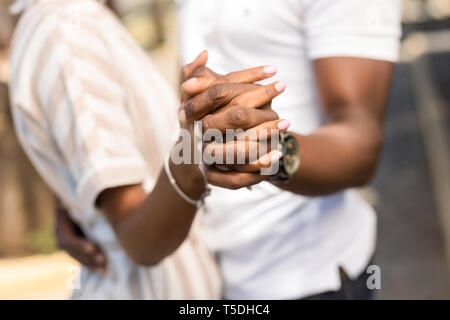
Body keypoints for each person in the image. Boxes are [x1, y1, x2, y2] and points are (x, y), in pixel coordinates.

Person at [55, 0, 402, 300]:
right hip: (213, 272)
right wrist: (80, 194)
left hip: (307, 277)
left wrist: (270, 152)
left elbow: (361, 145)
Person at [9, 0, 288, 299]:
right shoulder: (66, 32)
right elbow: (138, 239)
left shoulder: (85, 22)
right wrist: (193, 158)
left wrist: (75, 202)